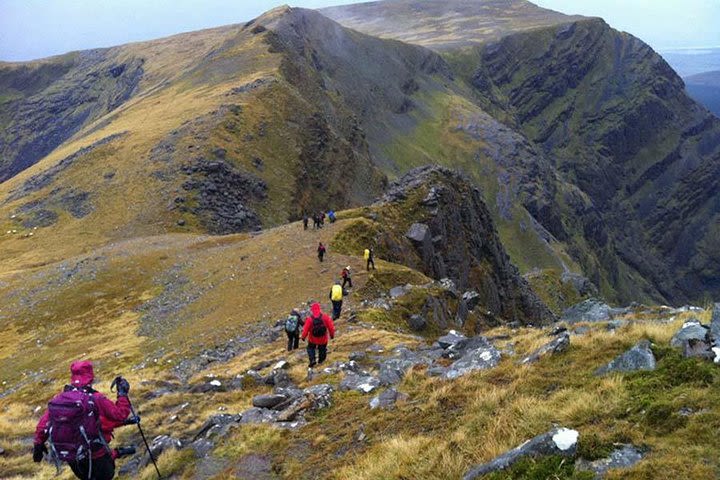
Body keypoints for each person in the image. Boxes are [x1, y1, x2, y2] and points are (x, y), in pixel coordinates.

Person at [33, 361, 133, 480]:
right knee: (106, 475)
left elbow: (43, 425)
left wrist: (38, 444)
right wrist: (122, 394)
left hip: (72, 456)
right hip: (96, 454)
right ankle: (116, 453)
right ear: (90, 376)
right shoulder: (95, 398)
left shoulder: (60, 399)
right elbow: (120, 414)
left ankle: (116, 453)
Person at [301, 303, 335, 368]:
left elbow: (305, 329)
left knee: (310, 348)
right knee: (322, 350)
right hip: (323, 339)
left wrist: (303, 337)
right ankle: (321, 362)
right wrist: (332, 335)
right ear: (319, 309)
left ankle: (312, 360)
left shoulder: (309, 319)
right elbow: (331, 327)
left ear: (312, 310)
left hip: (312, 339)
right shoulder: (325, 317)